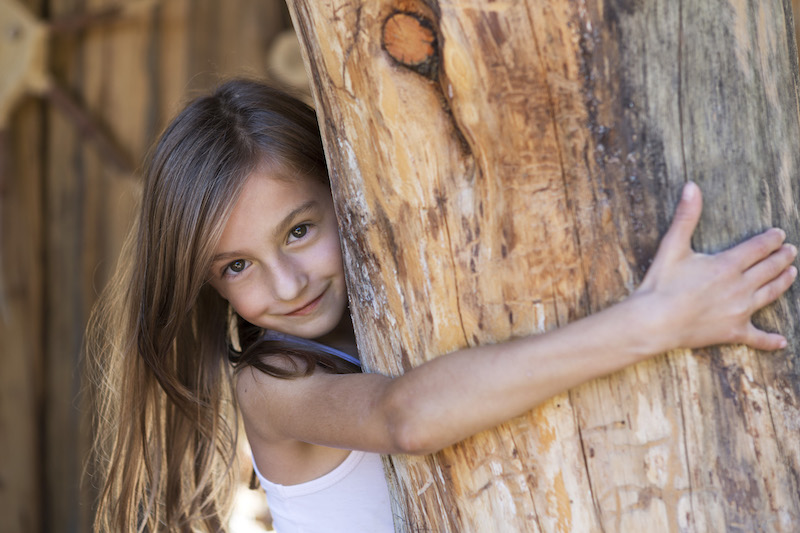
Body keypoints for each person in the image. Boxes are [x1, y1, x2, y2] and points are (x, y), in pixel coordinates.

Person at [87, 78, 798, 533]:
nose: (285, 284)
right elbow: (406, 415)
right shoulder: (271, 381)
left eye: (299, 230)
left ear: (345, 195)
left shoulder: (395, 319)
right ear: (209, 284)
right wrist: (656, 320)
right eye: (237, 265)